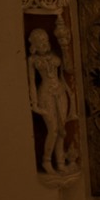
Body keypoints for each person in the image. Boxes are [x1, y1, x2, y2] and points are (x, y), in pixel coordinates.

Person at [27, 28, 76, 173]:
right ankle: (46, 160)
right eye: (39, 42)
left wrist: (65, 47)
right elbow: (32, 83)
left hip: (60, 92)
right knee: (53, 130)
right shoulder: (32, 60)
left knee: (61, 129)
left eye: (45, 40)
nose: (43, 44)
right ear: (34, 44)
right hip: (45, 94)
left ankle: (60, 163)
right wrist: (34, 103)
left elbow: (69, 68)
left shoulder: (55, 54)